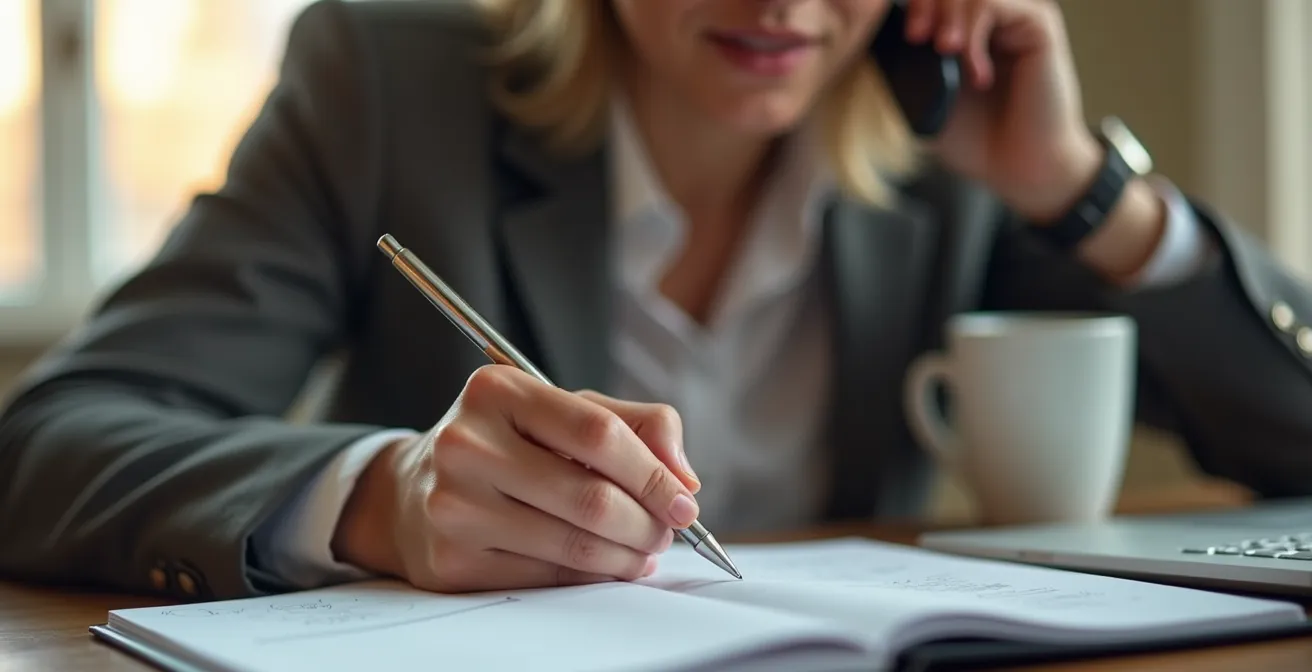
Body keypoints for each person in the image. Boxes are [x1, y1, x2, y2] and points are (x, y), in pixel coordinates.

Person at [3, 0, 1312, 602]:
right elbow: (49, 443)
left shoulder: (952, 158)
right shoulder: (386, 87)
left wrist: (1082, 190)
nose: (783, 5)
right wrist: (382, 499)